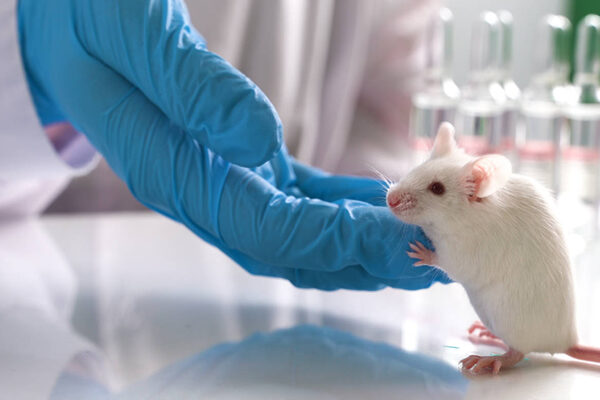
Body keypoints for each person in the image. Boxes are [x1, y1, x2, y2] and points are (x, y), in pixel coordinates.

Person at [1, 0, 450, 291]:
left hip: (259, 322)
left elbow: (385, 111)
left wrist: (364, 214)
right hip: (33, 284)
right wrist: (26, 51)